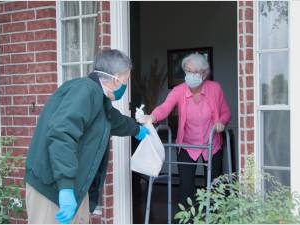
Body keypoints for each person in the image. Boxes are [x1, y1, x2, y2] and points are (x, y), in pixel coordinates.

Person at [24, 49, 150, 224]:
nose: (125, 85)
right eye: (126, 80)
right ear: (116, 78)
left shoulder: (99, 98)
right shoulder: (84, 90)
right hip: (52, 187)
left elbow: (115, 120)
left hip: (73, 186)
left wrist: (137, 129)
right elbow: (62, 133)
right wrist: (66, 187)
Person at [137, 53, 231, 208]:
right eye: (188, 71)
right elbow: (165, 107)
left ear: (204, 73)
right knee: (186, 187)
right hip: (187, 144)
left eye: (195, 72)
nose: (191, 75)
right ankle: (186, 219)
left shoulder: (215, 89)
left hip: (212, 144)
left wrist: (221, 122)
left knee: (214, 186)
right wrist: (152, 117)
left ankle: (214, 218)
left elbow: (226, 112)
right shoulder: (179, 90)